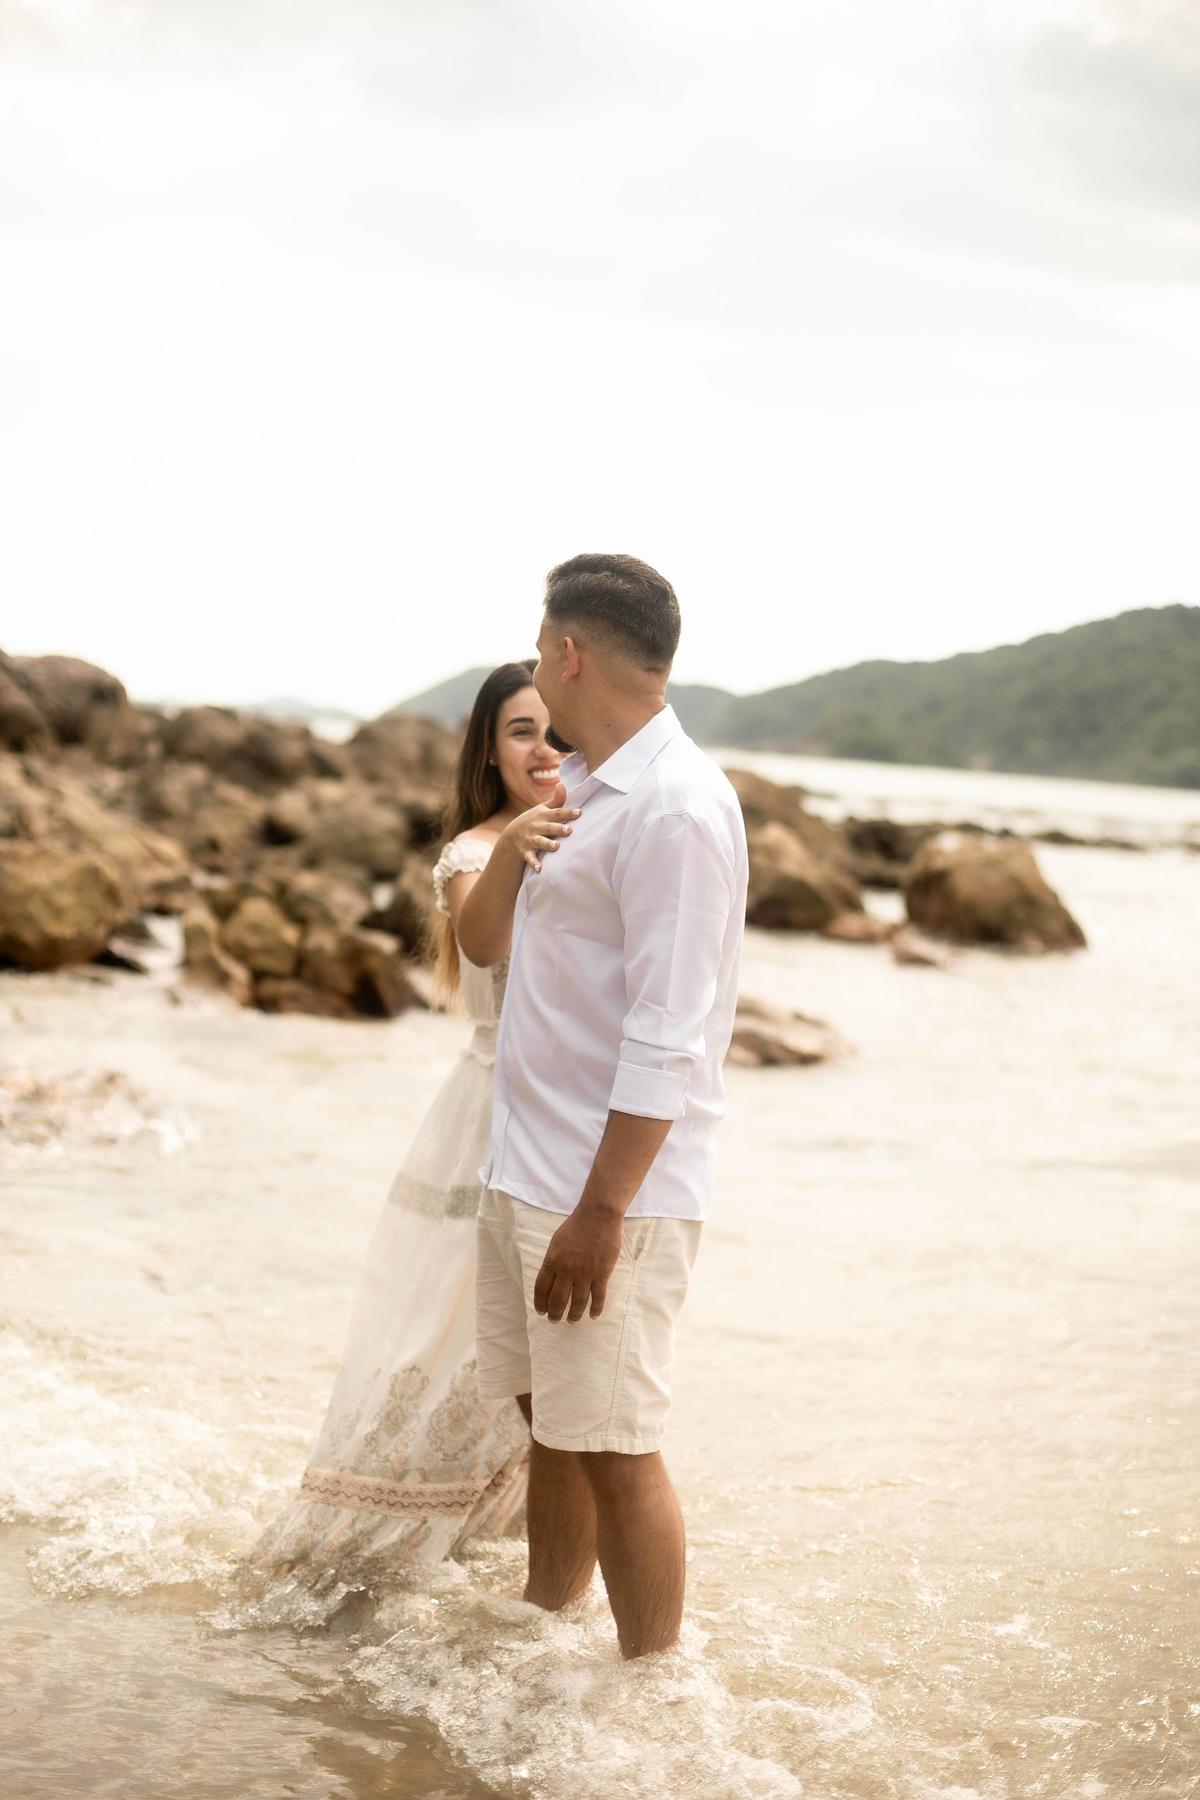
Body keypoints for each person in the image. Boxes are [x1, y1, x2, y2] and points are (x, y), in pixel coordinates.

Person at [246, 661, 579, 1585]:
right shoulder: (475, 850)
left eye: (556, 730)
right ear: (488, 750)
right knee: (451, 1329)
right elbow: (482, 941)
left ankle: (512, 1547)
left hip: (571, 1119)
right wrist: (515, 849)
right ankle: (376, 1543)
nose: (543, 750)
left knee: (551, 1351)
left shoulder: (592, 828)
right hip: (492, 1113)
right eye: (520, 731)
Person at [474, 554, 749, 1659]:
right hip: (529, 1166)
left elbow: (666, 1035)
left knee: (619, 1446)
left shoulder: (677, 809)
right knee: (558, 1426)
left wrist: (601, 1213)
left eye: (541, 649)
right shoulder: (586, 789)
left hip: (603, 1196)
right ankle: (546, 1630)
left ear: (570, 652)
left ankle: (652, 1699)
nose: (538, 667)